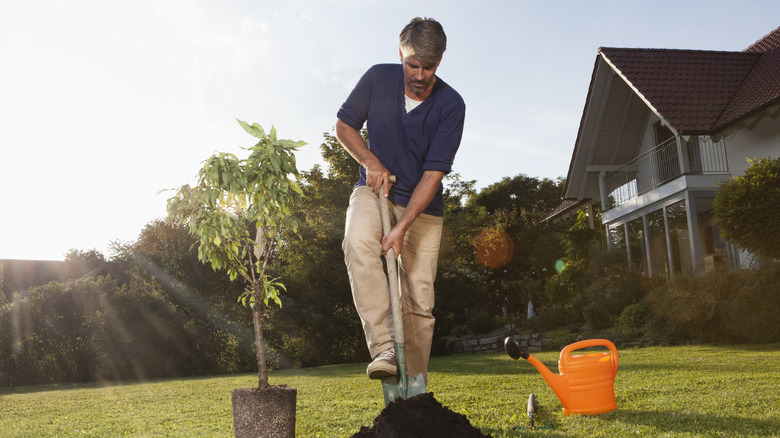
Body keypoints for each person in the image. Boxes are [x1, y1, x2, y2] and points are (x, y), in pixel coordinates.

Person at [336, 17, 466, 382]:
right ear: (400, 54)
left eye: (429, 67)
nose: (420, 75)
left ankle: (414, 389)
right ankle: (384, 348)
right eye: (413, 65)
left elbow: (432, 175)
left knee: (419, 301)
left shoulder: (451, 105)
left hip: (422, 208)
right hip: (375, 191)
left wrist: (401, 228)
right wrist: (370, 161)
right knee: (357, 242)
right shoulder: (378, 78)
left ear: (440, 61)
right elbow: (344, 125)